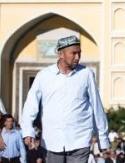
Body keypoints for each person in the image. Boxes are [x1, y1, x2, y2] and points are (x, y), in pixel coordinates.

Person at [19, 35, 109, 163]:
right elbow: (30, 105)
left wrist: (102, 138)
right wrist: (28, 131)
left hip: (80, 140)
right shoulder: (44, 76)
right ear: (61, 54)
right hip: (51, 142)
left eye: (79, 53)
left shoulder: (86, 74)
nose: (77, 57)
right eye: (73, 53)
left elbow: (97, 107)